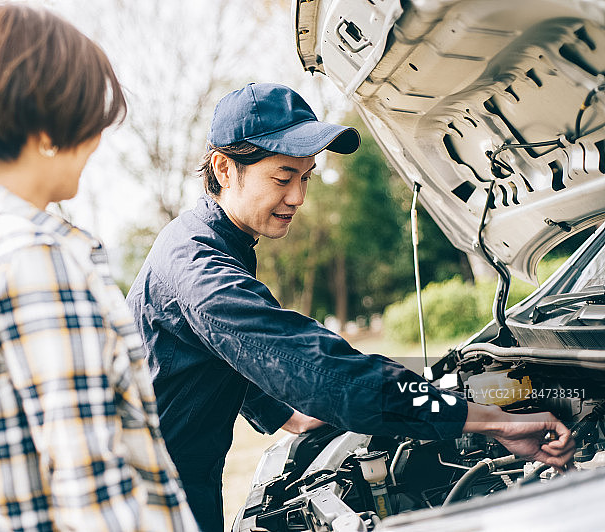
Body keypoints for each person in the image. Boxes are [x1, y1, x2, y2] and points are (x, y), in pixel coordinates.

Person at [125, 82, 575, 531]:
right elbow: (313, 364)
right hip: (149, 505)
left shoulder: (212, 241)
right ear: (225, 168)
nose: (298, 197)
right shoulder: (201, 271)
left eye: (305, 177)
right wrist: (493, 422)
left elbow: (226, 350)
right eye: (283, 178)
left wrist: (288, 415)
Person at [0, 3, 198, 531]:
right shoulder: (34, 260)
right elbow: (91, 487)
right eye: (90, 123)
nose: (95, 143)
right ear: (47, 127)